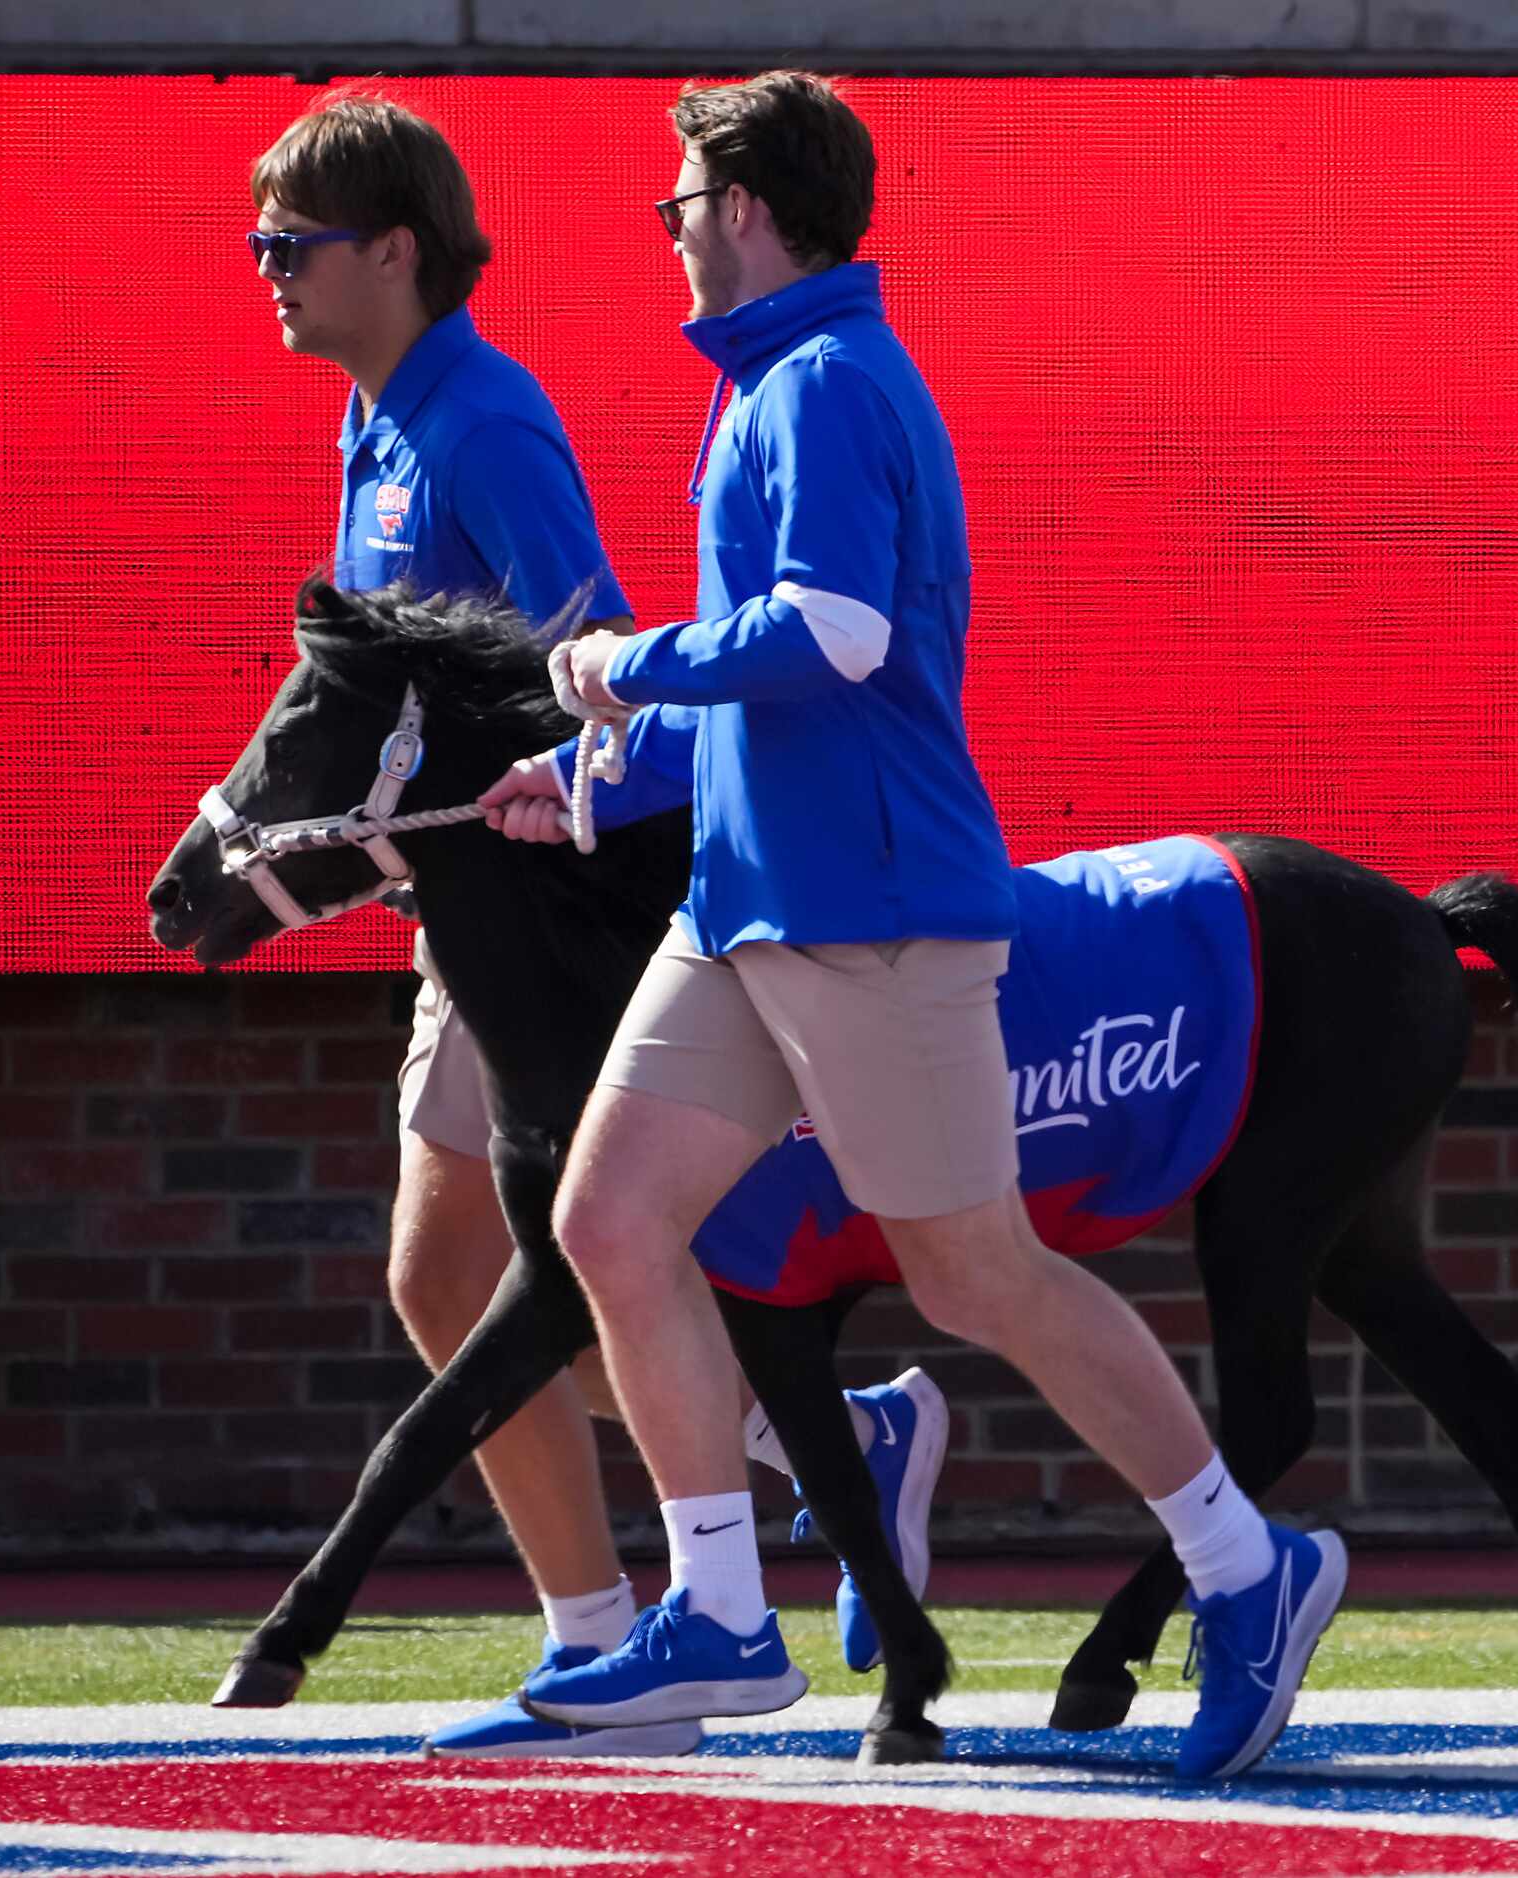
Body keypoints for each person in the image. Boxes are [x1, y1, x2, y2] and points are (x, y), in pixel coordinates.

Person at [478, 71, 1344, 1781]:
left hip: (872, 911)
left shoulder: (827, 385)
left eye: (677, 201)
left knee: (976, 1270)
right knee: (613, 1219)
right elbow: (768, 680)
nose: (665, 230)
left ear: (745, 206)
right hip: (746, 910)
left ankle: (1255, 1568)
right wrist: (598, 777)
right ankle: (721, 1609)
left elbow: (840, 633)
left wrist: (621, 664)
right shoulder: (771, 390)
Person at [252, 94, 877, 1762]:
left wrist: (534, 804)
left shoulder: (485, 419)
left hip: (532, 914)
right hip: (450, 918)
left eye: (290, 247)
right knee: (459, 1281)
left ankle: (617, 1632)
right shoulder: (377, 426)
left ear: (395, 250)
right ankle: (794, 1466)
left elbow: (587, 645)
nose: (268, 276)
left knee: (463, 1272)